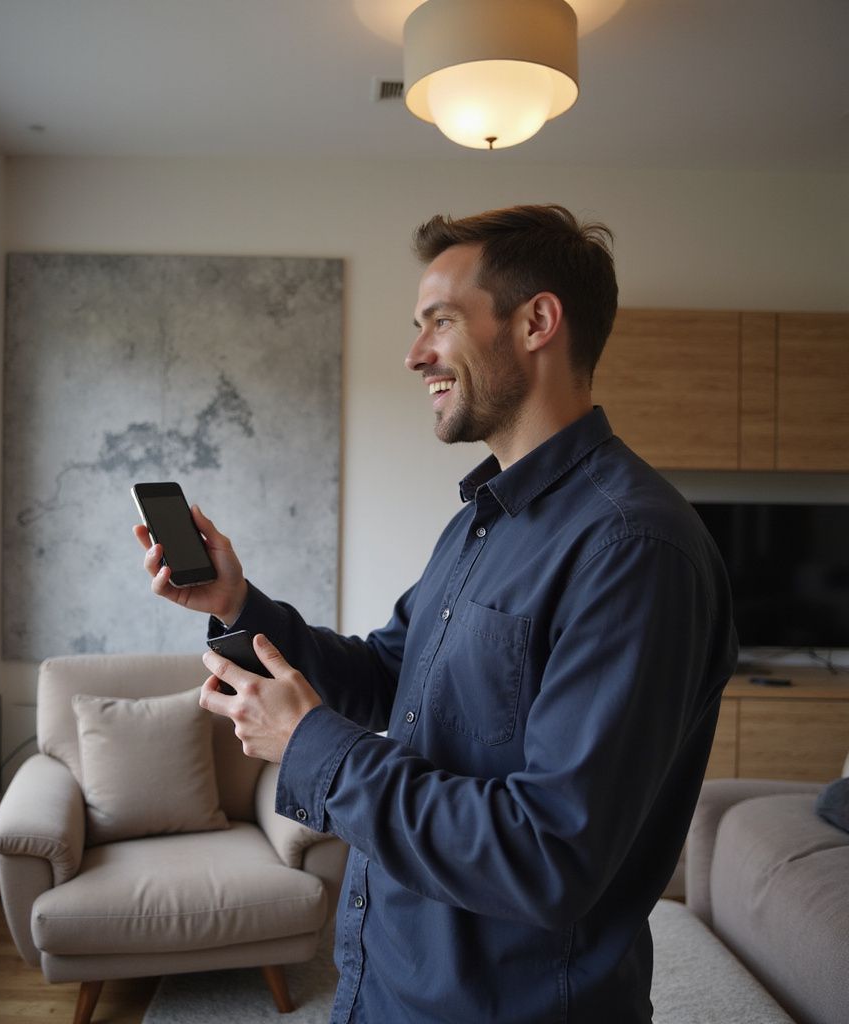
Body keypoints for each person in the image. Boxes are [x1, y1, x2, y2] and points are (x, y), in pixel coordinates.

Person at [134, 204, 738, 1023]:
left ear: (538, 322)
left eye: (440, 322)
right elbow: (387, 674)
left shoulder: (635, 549)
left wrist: (315, 748)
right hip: (390, 981)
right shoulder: (478, 521)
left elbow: (548, 854)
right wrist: (235, 604)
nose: (416, 355)